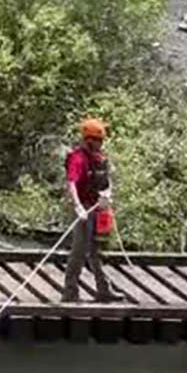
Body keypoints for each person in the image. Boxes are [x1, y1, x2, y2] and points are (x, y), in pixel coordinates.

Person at [62, 118, 124, 303]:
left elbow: (106, 180)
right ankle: (70, 292)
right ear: (89, 139)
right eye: (98, 140)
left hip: (98, 209)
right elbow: (71, 183)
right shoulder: (77, 158)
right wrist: (78, 207)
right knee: (79, 251)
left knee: (97, 250)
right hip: (83, 210)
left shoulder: (99, 158)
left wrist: (107, 194)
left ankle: (104, 289)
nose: (101, 144)